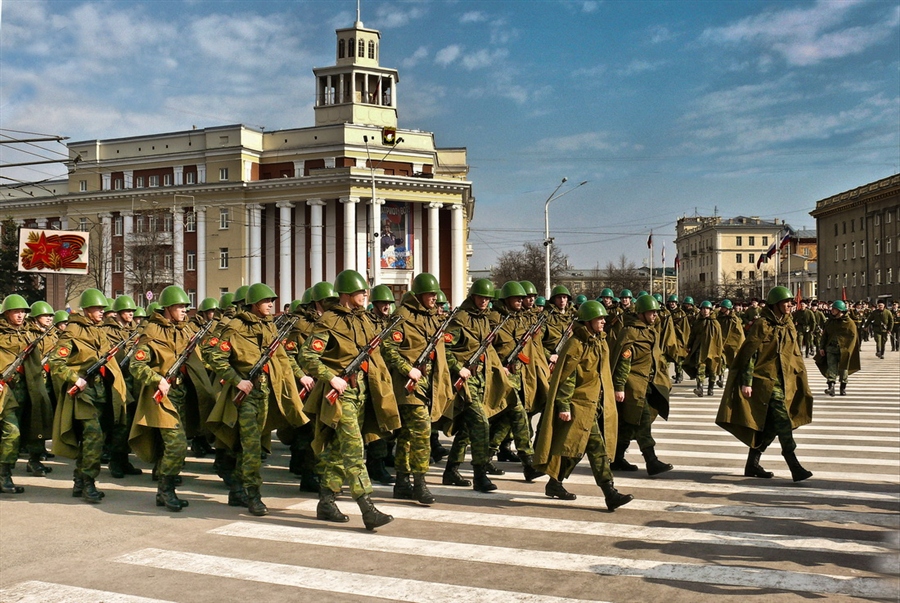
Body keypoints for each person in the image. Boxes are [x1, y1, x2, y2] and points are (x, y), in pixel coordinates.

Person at [300, 270, 397, 530]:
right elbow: (307, 356)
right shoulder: (329, 321)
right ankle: (367, 507)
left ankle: (326, 501)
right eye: (360, 292)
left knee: (335, 452)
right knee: (355, 451)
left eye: (366, 292)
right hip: (341, 395)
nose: (366, 295)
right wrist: (330, 377)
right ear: (346, 294)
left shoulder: (366, 320)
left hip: (364, 392)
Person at [207, 282, 309, 516]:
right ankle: (254, 495)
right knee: (252, 447)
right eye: (266, 301)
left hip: (265, 394)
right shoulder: (235, 328)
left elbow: (281, 359)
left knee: (251, 446)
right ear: (254, 304)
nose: (270, 305)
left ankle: (237, 490)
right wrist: (236, 379)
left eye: (272, 301)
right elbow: (214, 356)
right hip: (246, 396)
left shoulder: (270, 328)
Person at [533, 301, 633, 511]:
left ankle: (554, 483)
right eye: (600, 319)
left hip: (594, 403)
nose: (604, 322)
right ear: (588, 321)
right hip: (579, 405)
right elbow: (567, 377)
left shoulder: (600, 341)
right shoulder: (576, 344)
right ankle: (610, 493)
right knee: (597, 448)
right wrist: (564, 406)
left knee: (576, 448)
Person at [716, 286, 814, 482]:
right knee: (784, 421)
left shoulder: (788, 324)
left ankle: (752, 463)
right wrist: (747, 382)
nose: (790, 305)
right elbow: (750, 354)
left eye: (791, 302)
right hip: (765, 382)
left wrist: (800, 379)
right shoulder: (762, 324)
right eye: (786, 302)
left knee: (771, 426)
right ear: (775, 304)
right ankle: (793, 463)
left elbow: (793, 354)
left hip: (786, 380)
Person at [129, 286, 212, 511]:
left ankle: (163, 492)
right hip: (162, 399)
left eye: (186, 306)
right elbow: (136, 365)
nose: (185, 310)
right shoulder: (152, 332)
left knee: (177, 443)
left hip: (182, 395)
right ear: (168, 308)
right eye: (180, 307)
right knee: (176, 446)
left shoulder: (185, 331)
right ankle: (166, 491)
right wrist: (156, 378)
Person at [49, 288, 129, 503]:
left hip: (102, 391)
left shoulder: (99, 330)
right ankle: (89, 483)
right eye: (97, 308)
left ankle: (79, 481)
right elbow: (55, 361)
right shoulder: (73, 331)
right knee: (93, 437)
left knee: (97, 438)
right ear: (86, 309)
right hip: (84, 393)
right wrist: (74, 378)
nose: (102, 312)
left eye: (103, 309)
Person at [382, 273, 453, 505]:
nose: (434, 298)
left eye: (435, 294)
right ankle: (420, 483)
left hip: (429, 384)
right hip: (409, 386)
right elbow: (387, 348)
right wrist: (406, 369)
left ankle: (402, 482)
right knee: (422, 433)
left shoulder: (433, 317)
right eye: (430, 294)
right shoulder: (402, 317)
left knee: (407, 436)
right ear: (420, 294)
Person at [442, 279, 510, 492]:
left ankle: (451, 470)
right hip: (464, 382)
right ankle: (480, 474)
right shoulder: (461, 319)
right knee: (481, 424)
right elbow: (444, 347)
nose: (484, 302)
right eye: (481, 297)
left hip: (481, 380)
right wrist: (457, 367)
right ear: (473, 296)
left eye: (488, 299)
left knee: (466, 428)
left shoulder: (484, 319)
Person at [489, 281, 546, 482]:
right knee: (517, 418)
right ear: (506, 299)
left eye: (523, 299)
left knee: (508, 419)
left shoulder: (519, 320)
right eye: (517, 299)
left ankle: (486, 456)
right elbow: (486, 349)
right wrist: (499, 367)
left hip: (519, 377)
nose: (521, 302)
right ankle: (528, 462)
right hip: (498, 378)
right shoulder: (494, 320)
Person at [610, 294, 673, 475]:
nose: (655, 315)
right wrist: (619, 386)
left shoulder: (649, 330)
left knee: (629, 425)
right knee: (642, 421)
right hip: (633, 384)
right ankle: (651, 461)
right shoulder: (631, 332)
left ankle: (616, 459)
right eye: (651, 312)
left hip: (647, 383)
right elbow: (623, 362)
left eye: (655, 312)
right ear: (641, 313)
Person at [0, 295, 36, 494]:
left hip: (23, 392)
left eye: (23, 312)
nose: (21, 315)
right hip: (4, 393)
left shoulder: (27, 335)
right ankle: (4, 475)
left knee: (18, 434)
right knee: (11, 433)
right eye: (16, 311)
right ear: (6, 313)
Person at [816, 301, 860, 396]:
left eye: (834, 309)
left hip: (844, 350)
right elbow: (825, 335)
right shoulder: (830, 322)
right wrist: (822, 347)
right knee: (831, 368)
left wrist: (848, 349)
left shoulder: (849, 323)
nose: (832, 311)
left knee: (843, 369)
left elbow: (853, 337)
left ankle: (843, 387)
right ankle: (831, 387)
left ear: (840, 310)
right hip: (831, 349)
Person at [684, 301, 723, 398]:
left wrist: (719, 351)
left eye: (707, 309)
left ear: (710, 310)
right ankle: (700, 388)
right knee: (700, 368)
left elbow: (718, 339)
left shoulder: (715, 323)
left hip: (712, 350)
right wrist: (689, 345)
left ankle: (710, 388)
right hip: (700, 349)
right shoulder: (698, 322)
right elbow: (692, 335)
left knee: (712, 370)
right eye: (703, 309)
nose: (705, 310)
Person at [716, 299, 745, 388]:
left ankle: (733, 381)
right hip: (722, 343)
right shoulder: (719, 318)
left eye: (724, 308)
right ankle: (721, 378)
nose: (722, 309)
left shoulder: (734, 319)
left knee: (732, 364)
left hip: (732, 345)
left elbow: (738, 334)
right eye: (722, 307)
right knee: (721, 361)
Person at [664, 295, 690, 383]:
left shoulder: (681, 313)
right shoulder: (666, 312)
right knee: (665, 358)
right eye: (670, 302)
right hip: (668, 337)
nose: (672, 304)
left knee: (678, 358)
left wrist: (685, 341)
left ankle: (679, 374)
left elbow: (685, 328)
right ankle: (664, 375)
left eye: (673, 302)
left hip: (678, 338)